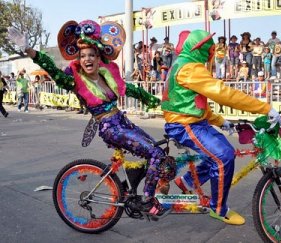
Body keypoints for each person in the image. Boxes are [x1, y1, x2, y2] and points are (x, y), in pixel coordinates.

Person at [8, 20, 169, 217]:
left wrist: (160, 103)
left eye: (91, 55)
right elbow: (54, 71)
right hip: (111, 128)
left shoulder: (107, 75)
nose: (87, 59)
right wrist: (30, 51)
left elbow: (131, 89)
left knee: (156, 150)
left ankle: (130, 189)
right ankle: (146, 200)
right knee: (155, 154)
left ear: (98, 56)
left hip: (122, 121)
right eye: (82, 55)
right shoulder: (74, 80)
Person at [161, 29, 281, 225]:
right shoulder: (190, 67)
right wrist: (263, 107)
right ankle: (218, 209)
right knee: (224, 155)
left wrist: (220, 121)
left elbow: (192, 103)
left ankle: (186, 182)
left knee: (221, 153)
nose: (211, 51)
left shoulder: (183, 63)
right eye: (208, 48)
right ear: (199, 48)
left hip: (191, 121)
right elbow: (222, 93)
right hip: (184, 125)